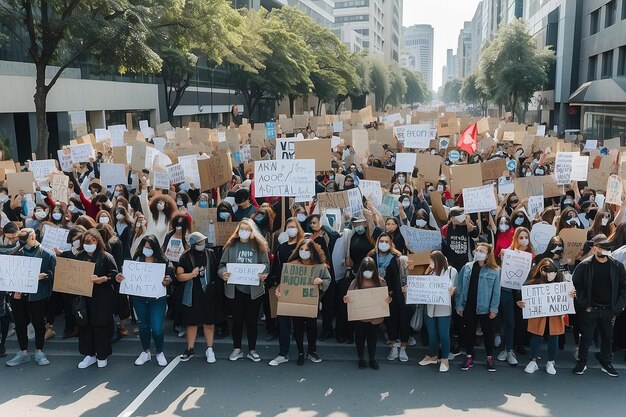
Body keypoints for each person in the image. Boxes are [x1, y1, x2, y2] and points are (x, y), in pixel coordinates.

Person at [572, 234, 626, 377]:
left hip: (609, 310)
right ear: (595, 248)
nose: (606, 250)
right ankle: (582, 362)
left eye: (608, 247)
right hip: (590, 309)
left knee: (608, 338)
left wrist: (618, 307)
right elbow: (576, 284)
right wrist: (584, 303)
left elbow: (623, 287)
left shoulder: (617, 266)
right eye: (603, 247)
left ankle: (606, 362)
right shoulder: (584, 265)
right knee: (586, 337)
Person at [115, 235, 173, 366]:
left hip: (157, 299)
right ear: (142, 247)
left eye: (151, 247)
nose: (148, 249)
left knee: (157, 328)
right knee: (143, 326)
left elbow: (170, 276)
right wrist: (120, 277)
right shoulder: (137, 260)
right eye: (146, 247)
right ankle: (145, 351)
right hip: (139, 299)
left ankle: (159, 352)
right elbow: (127, 276)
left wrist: (168, 280)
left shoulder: (163, 261)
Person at [218, 219, 270, 362]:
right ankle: (237, 349)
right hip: (235, 290)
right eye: (242, 229)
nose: (244, 232)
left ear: (252, 231)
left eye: (247, 229)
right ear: (238, 230)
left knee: (252, 321)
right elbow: (221, 265)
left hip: (254, 291)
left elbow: (266, 264)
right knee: (237, 321)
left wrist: (263, 273)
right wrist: (223, 273)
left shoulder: (259, 246)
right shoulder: (231, 245)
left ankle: (252, 350)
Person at [5, 228, 56, 367]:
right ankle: (23, 352)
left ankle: (39, 351)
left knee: (39, 323)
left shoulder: (47, 254)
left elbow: (54, 276)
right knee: (20, 324)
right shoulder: (16, 252)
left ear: (33, 237)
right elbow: (9, 274)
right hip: (18, 295)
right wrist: (13, 289)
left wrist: (44, 276)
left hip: (38, 296)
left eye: (25, 241)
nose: (23, 244)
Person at [276, 239, 330, 365]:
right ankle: (300, 352)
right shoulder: (292, 264)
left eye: (307, 250)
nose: (303, 252)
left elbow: (328, 279)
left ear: (312, 251)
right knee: (298, 327)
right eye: (301, 249)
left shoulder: (320, 266)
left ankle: (311, 351)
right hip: (296, 302)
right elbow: (285, 282)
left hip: (312, 301)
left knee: (312, 327)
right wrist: (280, 290)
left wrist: (321, 282)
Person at [517, 259, 575, 375]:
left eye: (553, 272)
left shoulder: (561, 283)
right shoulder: (533, 283)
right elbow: (522, 297)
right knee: (536, 335)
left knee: (554, 337)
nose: (551, 275)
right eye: (548, 272)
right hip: (538, 315)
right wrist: (520, 303)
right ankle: (533, 361)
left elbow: (570, 295)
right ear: (541, 271)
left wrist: (571, 294)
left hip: (554, 314)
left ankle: (551, 362)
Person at [175, 232, 223, 363]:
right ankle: (190, 348)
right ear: (193, 245)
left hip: (208, 292)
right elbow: (179, 276)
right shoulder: (185, 256)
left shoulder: (210, 253)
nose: (202, 245)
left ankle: (210, 348)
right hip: (192, 293)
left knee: (209, 321)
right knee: (191, 322)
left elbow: (216, 269)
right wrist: (191, 274)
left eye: (203, 242)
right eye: (199, 243)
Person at [76, 229, 118, 369]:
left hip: (101, 297)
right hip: (84, 297)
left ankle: (102, 354)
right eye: (86, 240)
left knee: (101, 326)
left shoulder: (105, 257)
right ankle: (90, 354)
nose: (89, 243)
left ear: (98, 241)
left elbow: (114, 275)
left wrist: (103, 279)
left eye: (92, 240)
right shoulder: (79, 256)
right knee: (85, 326)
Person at [455, 243, 501, 372]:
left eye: (482, 251)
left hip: (486, 308)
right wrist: (459, 305)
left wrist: (494, 309)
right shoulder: (467, 267)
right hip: (469, 305)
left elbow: (496, 291)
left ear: (487, 255)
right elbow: (460, 286)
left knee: (488, 333)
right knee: (469, 332)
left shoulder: (495, 270)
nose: (478, 252)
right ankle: (469, 356)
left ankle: (489, 357)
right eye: (477, 250)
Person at [268, 219, 304, 366]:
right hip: (284, 288)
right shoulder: (281, 247)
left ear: (298, 228)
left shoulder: (303, 246)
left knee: (298, 323)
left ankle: (301, 352)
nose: (291, 229)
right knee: (283, 322)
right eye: (288, 227)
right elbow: (277, 268)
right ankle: (283, 353)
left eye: (293, 227)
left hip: (299, 288)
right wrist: (275, 283)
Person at [344, 257, 391, 370]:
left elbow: (386, 296)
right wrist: (346, 299)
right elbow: (348, 296)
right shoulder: (355, 282)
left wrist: (389, 299)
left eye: (370, 270)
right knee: (360, 336)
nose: (368, 273)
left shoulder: (380, 281)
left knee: (372, 337)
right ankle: (361, 359)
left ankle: (372, 359)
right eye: (365, 270)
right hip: (360, 316)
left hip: (374, 317)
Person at [417, 251, 457, 372]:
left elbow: (454, 286)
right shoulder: (430, 271)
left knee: (443, 334)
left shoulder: (451, 271)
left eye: (432, 260)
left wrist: (453, 290)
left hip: (443, 308)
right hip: (429, 308)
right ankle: (432, 355)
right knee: (432, 334)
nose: (430, 262)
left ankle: (445, 358)